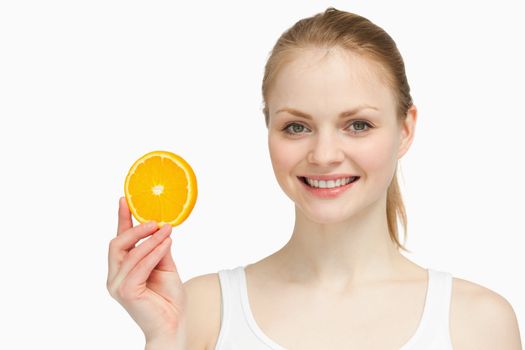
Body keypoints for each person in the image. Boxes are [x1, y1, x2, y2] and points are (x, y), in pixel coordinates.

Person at [107, 7, 522, 350]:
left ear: (406, 129)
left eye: (357, 125)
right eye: (296, 127)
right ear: (268, 128)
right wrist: (162, 337)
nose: (324, 156)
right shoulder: (199, 311)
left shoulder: (477, 323)